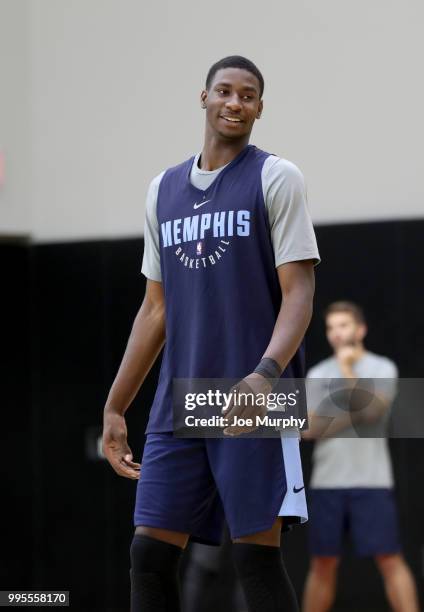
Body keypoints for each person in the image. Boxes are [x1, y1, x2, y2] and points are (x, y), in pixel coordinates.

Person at [102, 55, 320, 612]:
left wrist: (265, 375)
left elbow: (299, 294)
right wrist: (115, 407)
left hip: (258, 394)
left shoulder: (276, 177)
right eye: (224, 91)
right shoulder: (162, 191)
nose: (235, 103)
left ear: (260, 109)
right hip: (182, 399)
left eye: (247, 96)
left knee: (256, 560)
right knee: (148, 555)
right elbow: (155, 311)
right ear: (203, 98)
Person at [302, 301, 419, 612]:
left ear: (360, 329)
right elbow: (309, 429)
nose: (336, 333)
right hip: (327, 481)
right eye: (330, 327)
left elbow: (373, 412)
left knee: (390, 559)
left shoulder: (382, 368)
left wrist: (346, 371)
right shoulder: (316, 373)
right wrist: (353, 413)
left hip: (372, 480)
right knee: (323, 563)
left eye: (343, 325)